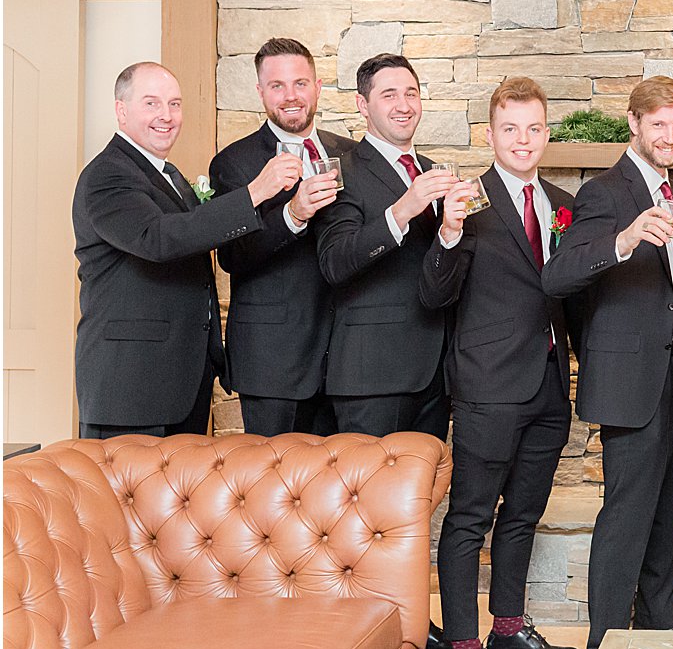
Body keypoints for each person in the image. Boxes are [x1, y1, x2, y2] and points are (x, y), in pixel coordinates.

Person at [421, 77, 581, 649]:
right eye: (509, 129)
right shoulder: (467, 203)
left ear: (546, 133)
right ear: (490, 135)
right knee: (468, 521)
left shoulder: (563, 202)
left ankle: (509, 628)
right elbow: (433, 294)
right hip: (488, 387)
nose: (523, 140)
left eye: (534, 128)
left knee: (523, 514)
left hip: (547, 384)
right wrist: (450, 233)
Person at [542, 76, 673, 649]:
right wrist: (626, 236)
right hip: (627, 380)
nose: (670, 135)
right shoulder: (605, 194)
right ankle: (606, 647)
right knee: (626, 518)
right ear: (633, 124)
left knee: (668, 512)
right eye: (658, 124)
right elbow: (559, 278)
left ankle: (661, 628)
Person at [73, 61, 299, 439]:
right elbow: (158, 239)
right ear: (121, 109)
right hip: (131, 386)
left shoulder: (169, 174)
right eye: (152, 104)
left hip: (182, 381)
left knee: (176, 500)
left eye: (174, 104)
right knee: (127, 499)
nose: (166, 116)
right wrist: (256, 192)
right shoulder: (107, 174)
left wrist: (293, 214)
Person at [210, 37, 353, 436]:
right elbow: (232, 256)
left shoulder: (353, 154)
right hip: (273, 362)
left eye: (300, 83)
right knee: (273, 491)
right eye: (277, 86)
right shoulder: (234, 163)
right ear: (260, 92)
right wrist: (293, 214)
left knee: (339, 491)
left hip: (346, 360)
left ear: (317, 86)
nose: (291, 96)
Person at [315, 53, 455, 440]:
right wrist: (402, 210)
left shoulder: (433, 170)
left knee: (421, 496)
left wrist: (453, 232)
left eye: (411, 93)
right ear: (363, 105)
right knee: (368, 499)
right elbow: (334, 262)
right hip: (371, 375)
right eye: (389, 95)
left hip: (435, 374)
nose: (404, 105)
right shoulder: (342, 169)